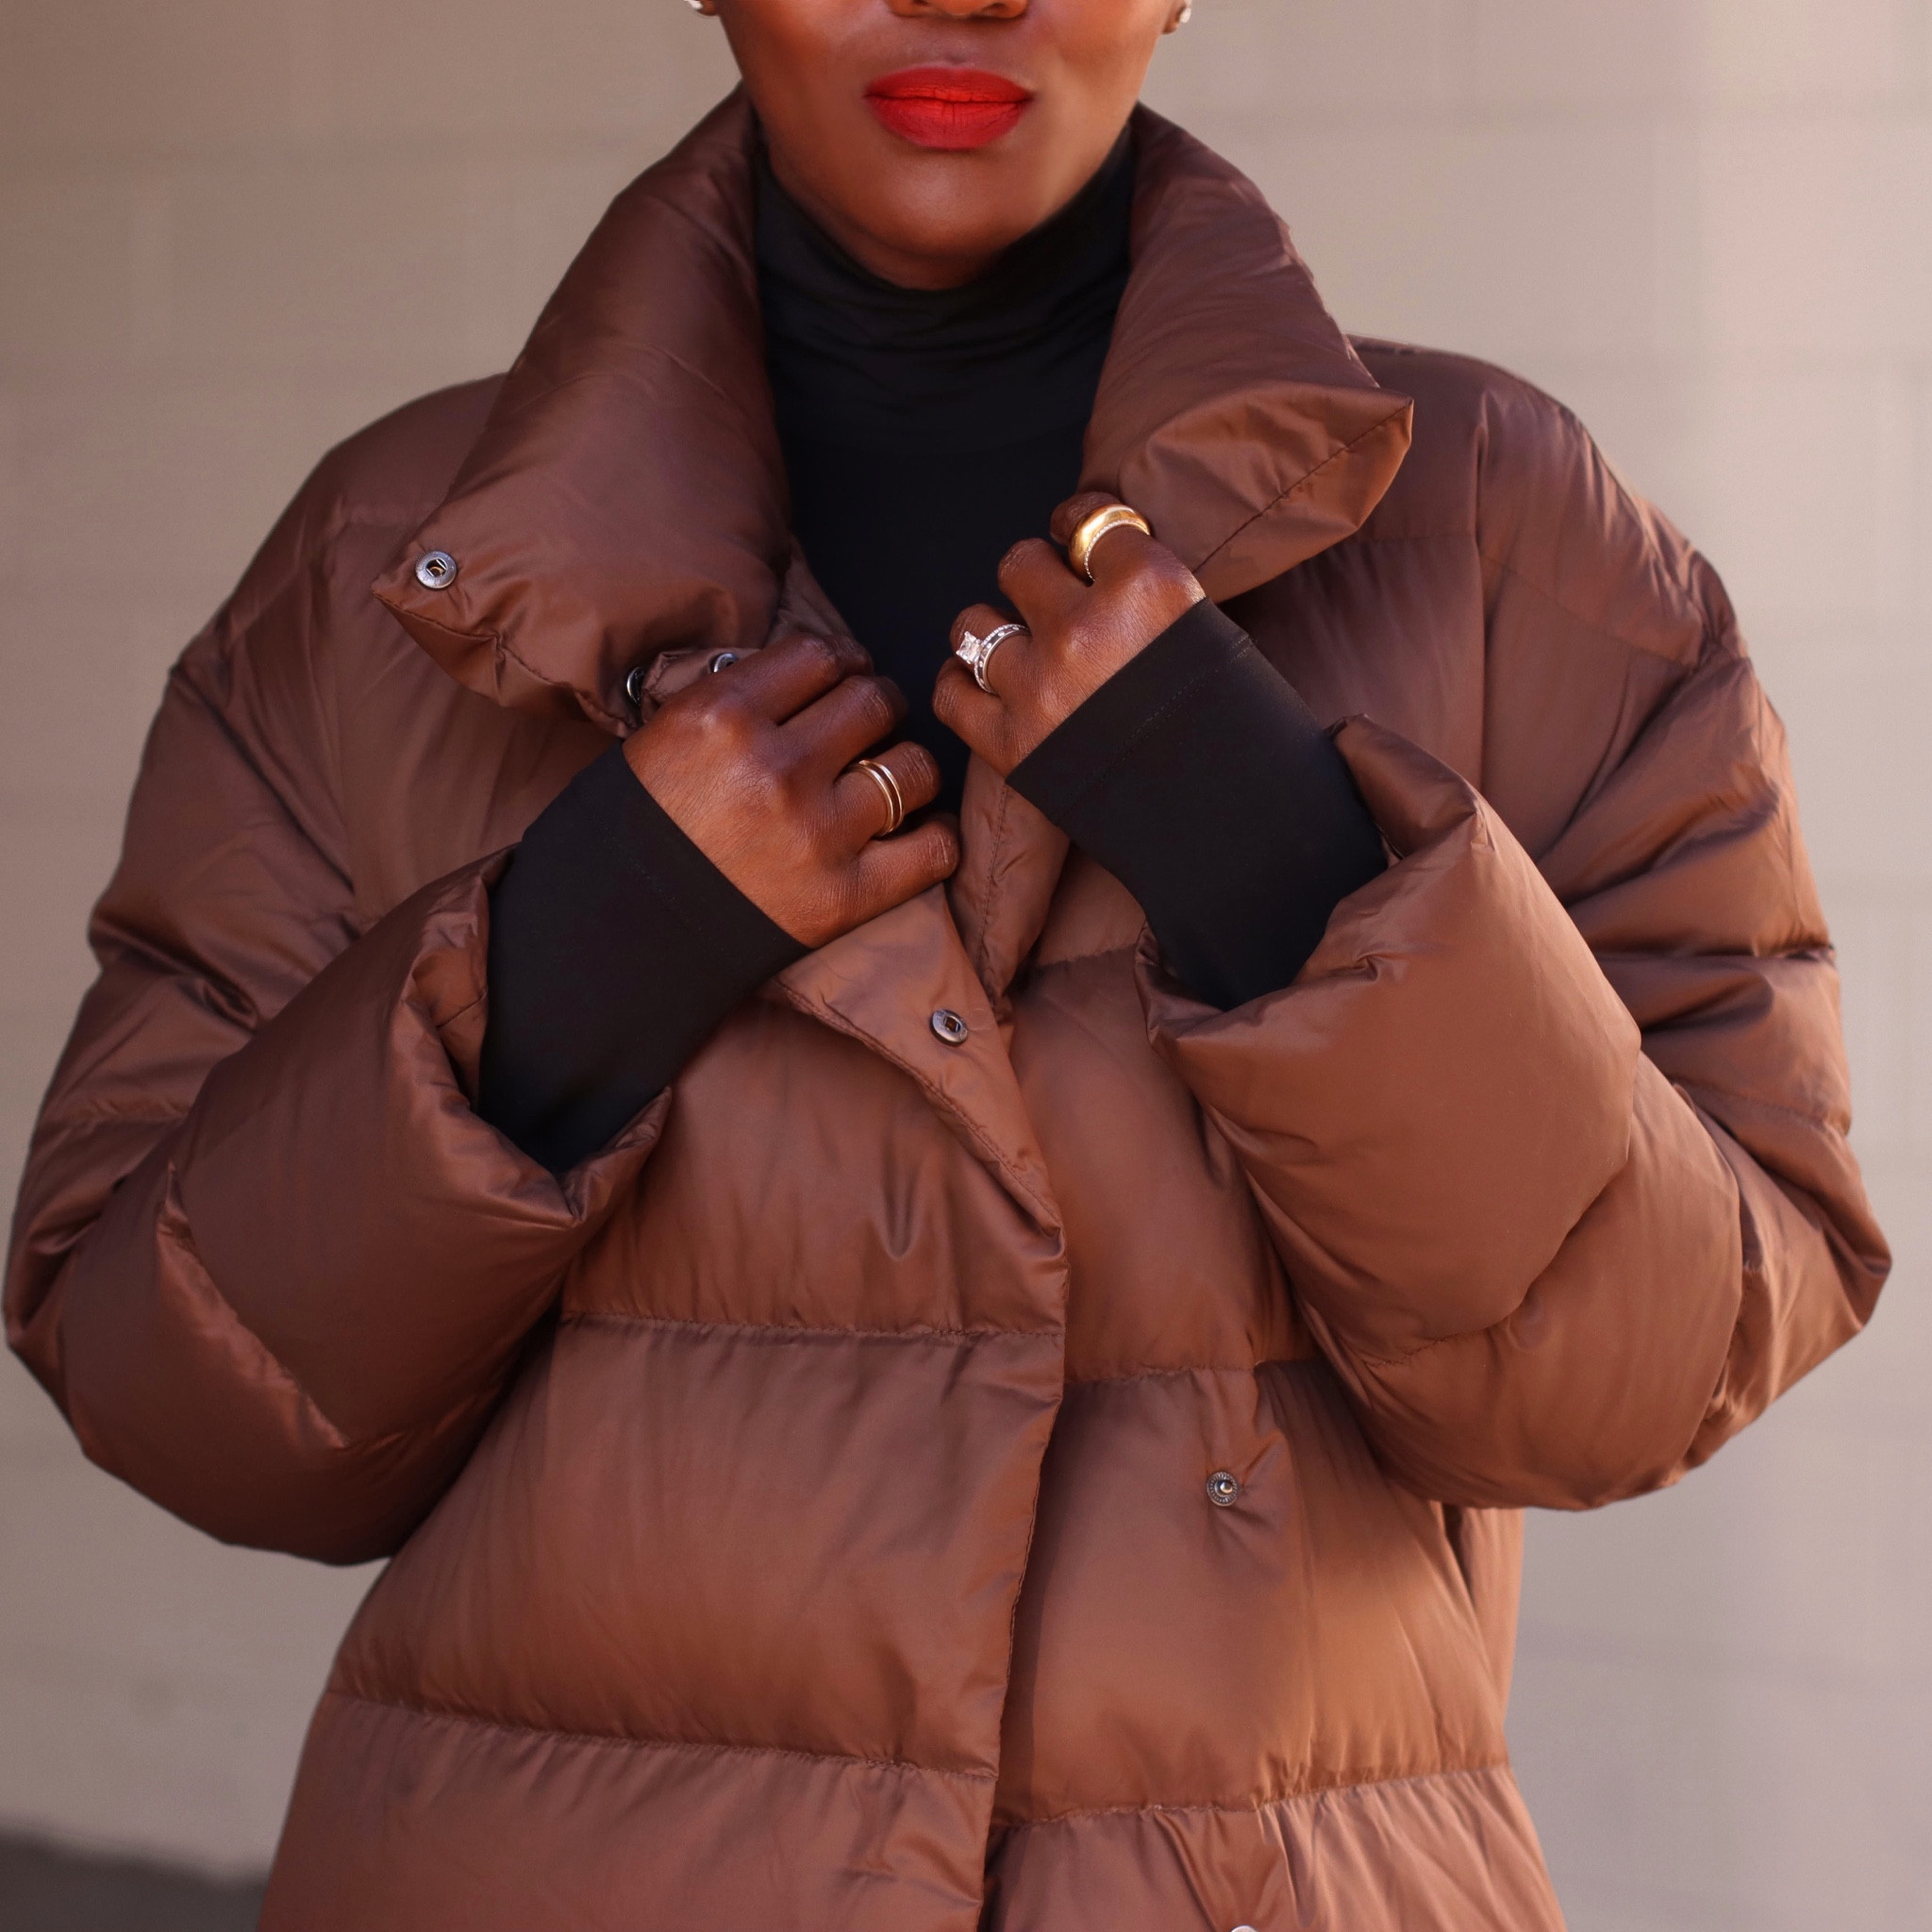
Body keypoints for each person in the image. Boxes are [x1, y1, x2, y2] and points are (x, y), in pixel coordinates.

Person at [2, 1, 1890, 1926]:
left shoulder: (1503, 546)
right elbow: (174, 1398)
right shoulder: (392, 575)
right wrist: (571, 960)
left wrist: (1284, 860)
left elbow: (1658, 1366)